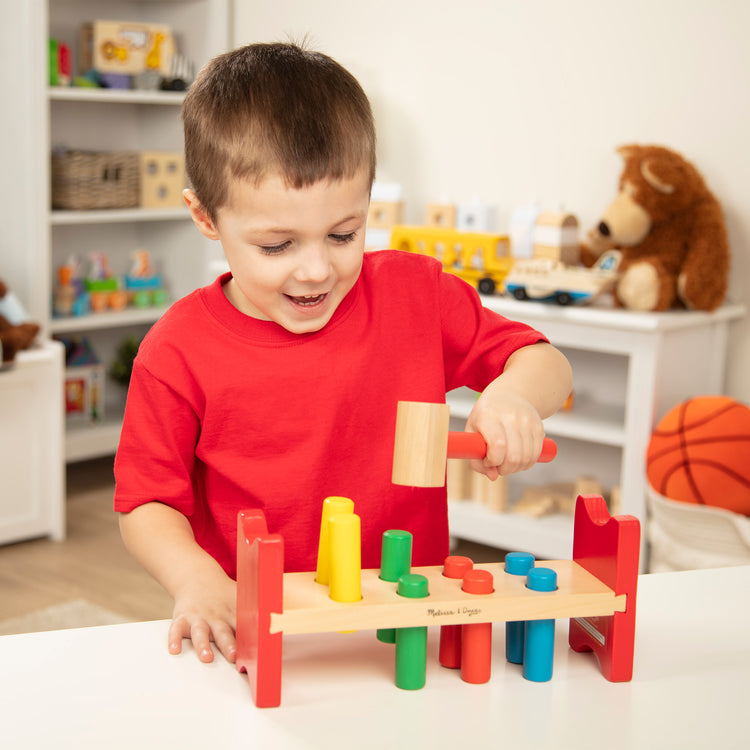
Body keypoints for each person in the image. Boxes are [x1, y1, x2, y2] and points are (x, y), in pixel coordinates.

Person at [114, 42, 573, 666]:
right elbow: (147, 502)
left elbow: (543, 360)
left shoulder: (416, 295)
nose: (316, 270)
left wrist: (515, 396)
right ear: (205, 216)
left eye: (343, 234)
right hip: (259, 634)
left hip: (405, 627)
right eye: (277, 245)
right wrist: (194, 579)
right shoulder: (176, 351)